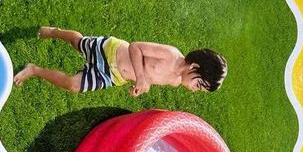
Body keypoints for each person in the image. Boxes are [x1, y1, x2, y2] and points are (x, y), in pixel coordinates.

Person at [13, 26, 227, 95]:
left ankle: (33, 70)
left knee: (73, 85)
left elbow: (147, 77)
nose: (195, 90)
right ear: (195, 66)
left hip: (112, 76)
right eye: (199, 85)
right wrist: (141, 76)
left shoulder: (174, 81)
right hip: (110, 52)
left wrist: (139, 86)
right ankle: (54, 32)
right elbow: (135, 47)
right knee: (78, 43)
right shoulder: (171, 55)